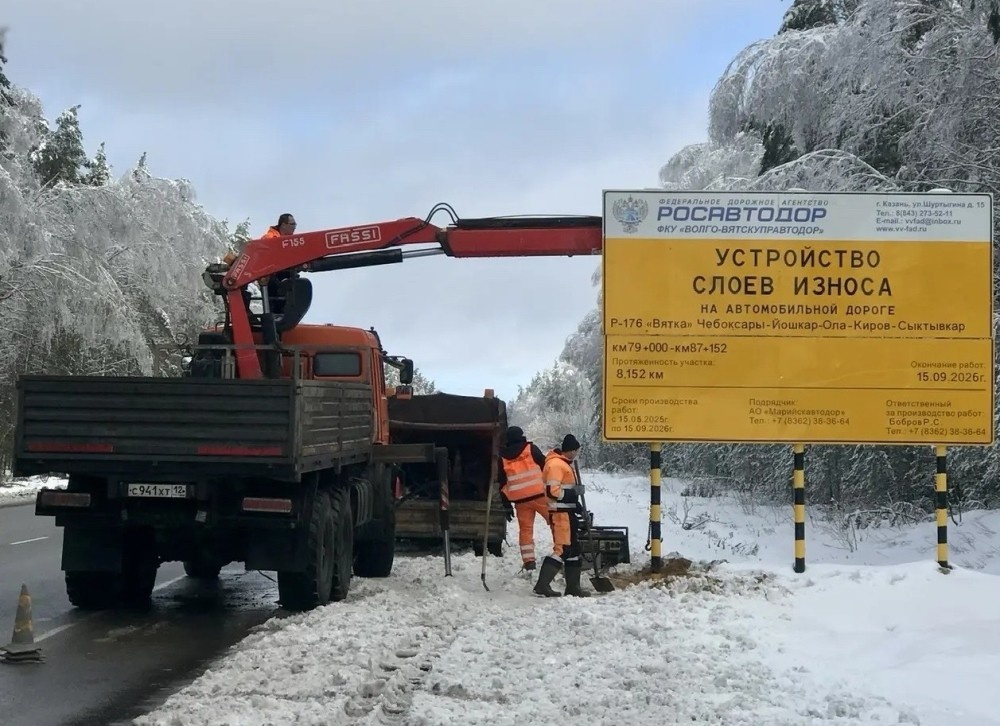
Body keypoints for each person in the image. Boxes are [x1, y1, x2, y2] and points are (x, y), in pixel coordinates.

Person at [533, 434, 591, 598]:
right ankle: (542, 585)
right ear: (571, 450)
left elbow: (568, 494)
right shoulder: (556, 465)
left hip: (568, 512)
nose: (577, 454)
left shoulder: (564, 464)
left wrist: (579, 508)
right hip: (560, 514)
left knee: (573, 550)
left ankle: (573, 588)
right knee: (563, 548)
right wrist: (574, 493)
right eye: (576, 451)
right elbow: (553, 492)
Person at [498, 426, 550, 571]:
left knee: (525, 530)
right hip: (540, 496)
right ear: (521, 435)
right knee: (556, 523)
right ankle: (562, 553)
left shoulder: (502, 457)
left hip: (520, 501)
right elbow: (546, 466)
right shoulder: (531, 449)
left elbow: (501, 483)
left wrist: (506, 504)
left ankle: (529, 561)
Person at [259, 213, 298, 315]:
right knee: (277, 297)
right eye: (292, 224)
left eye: (295, 224)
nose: (294, 227)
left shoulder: (291, 241)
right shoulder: (271, 238)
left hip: (282, 274)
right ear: (283, 225)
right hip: (271, 276)